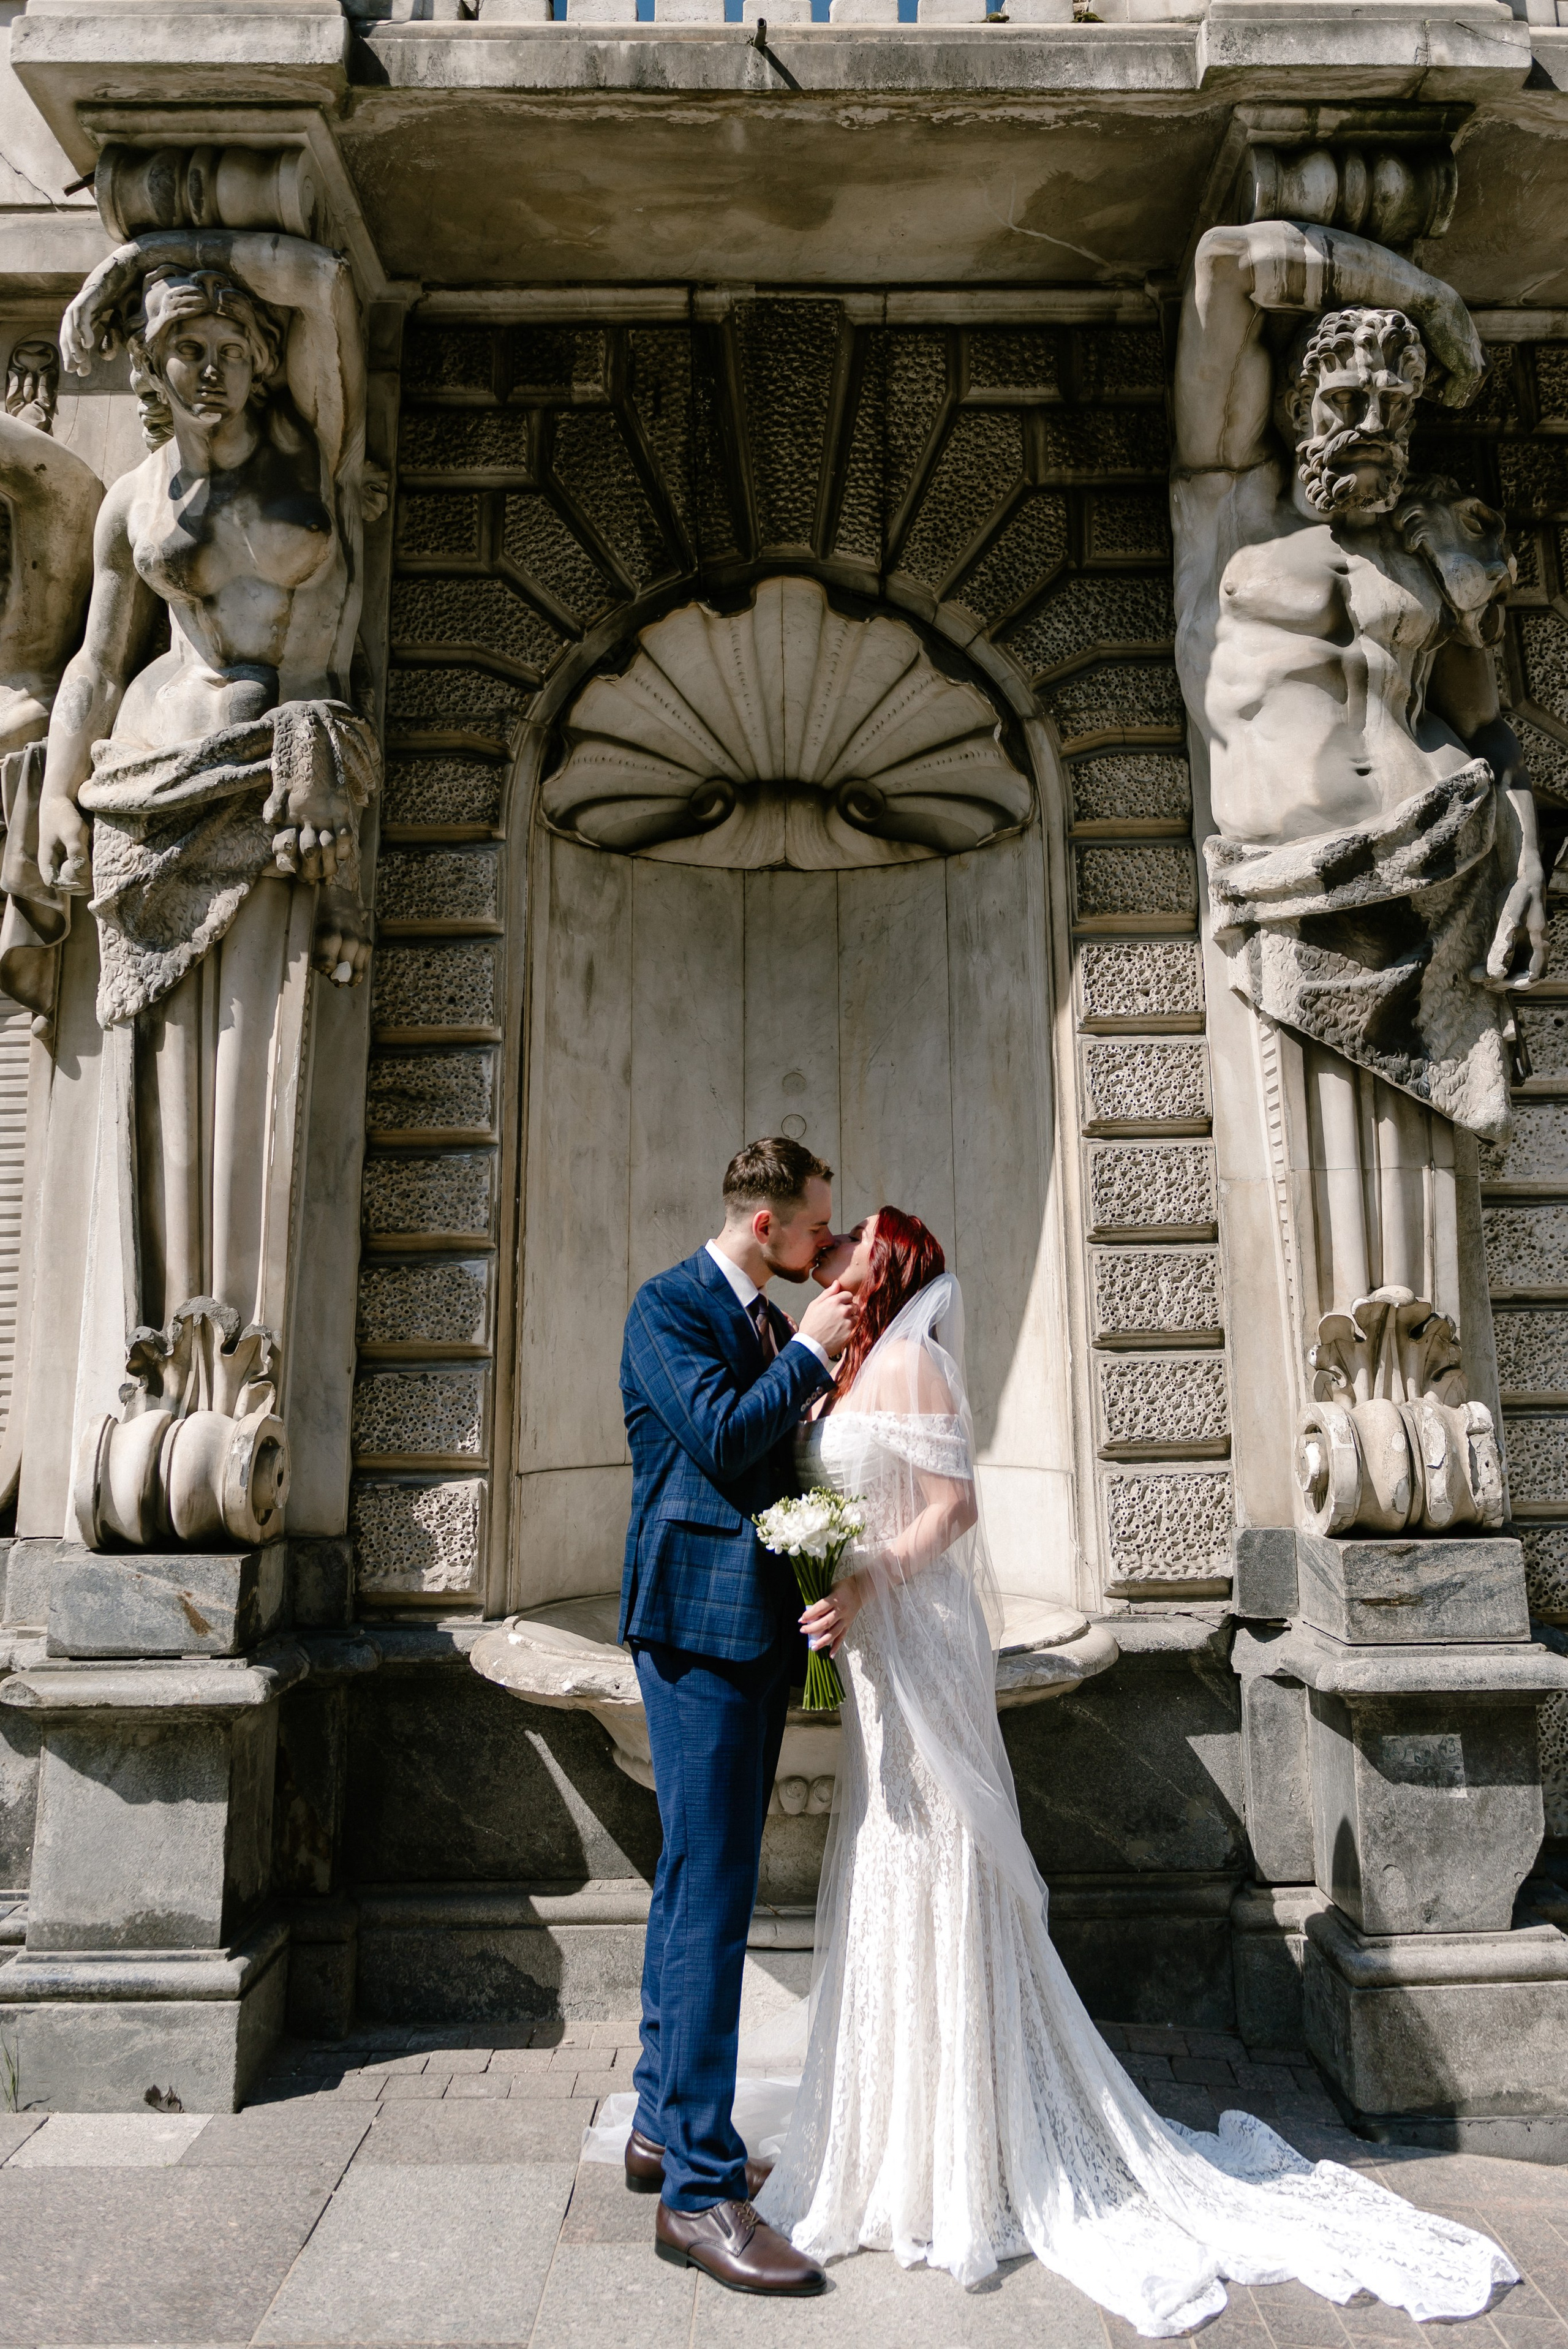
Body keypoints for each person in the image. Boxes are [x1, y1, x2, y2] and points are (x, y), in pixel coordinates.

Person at [749, 1205, 1518, 2338]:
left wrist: (862, 1579)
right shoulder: (856, 1364)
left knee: (940, 1849)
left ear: (894, 1259)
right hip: (872, 1650)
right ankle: (897, 2126)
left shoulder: (911, 1359)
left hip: (913, 1636)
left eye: (858, 1234)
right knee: (887, 1844)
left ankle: (966, 2137)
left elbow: (952, 1510)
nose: (842, 1242)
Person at [617, 1134, 861, 2296]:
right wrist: (813, 1352)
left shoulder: (764, 1319)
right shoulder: (668, 1309)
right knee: (712, 1905)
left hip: (754, 1634)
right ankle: (700, 2195)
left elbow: (772, 1462)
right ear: (767, 1223)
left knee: (689, 1881)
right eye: (818, 1226)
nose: (826, 1244)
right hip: (695, 1634)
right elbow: (719, 1439)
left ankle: (664, 2125)